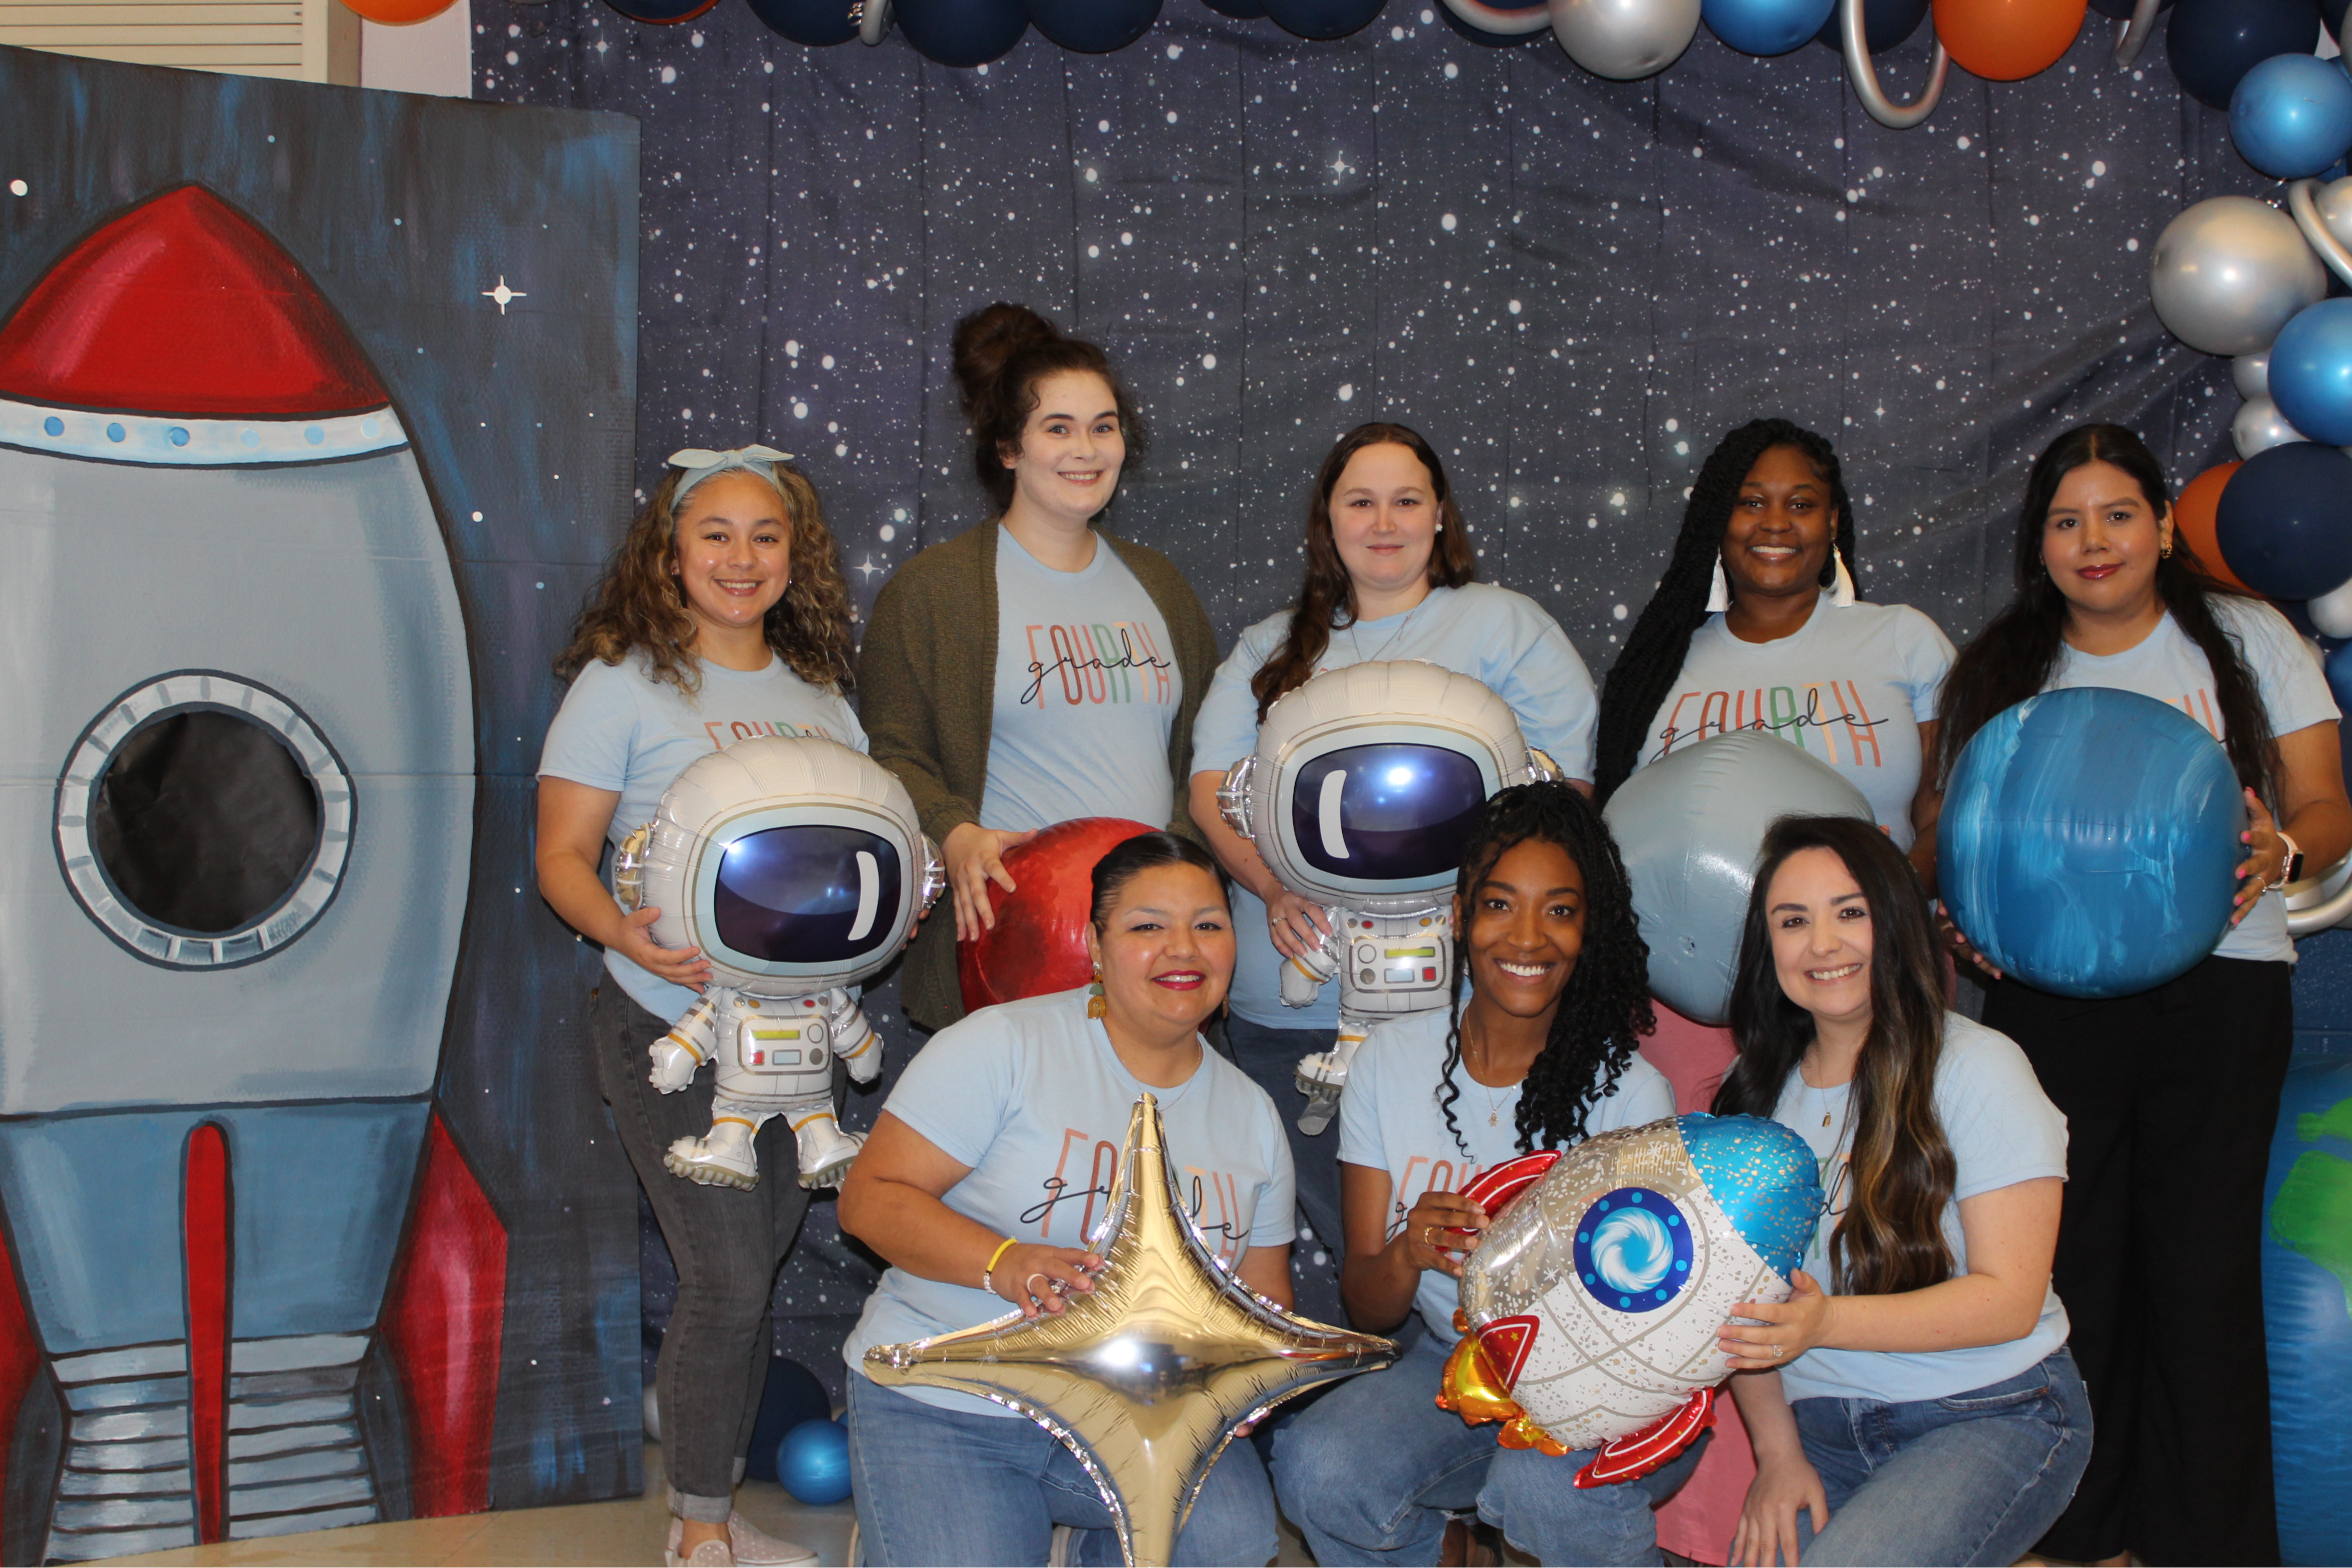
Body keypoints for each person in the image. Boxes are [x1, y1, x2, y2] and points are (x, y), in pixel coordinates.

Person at [1933, 422, 2351, 1568]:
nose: (2093, 541)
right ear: (2039, 547)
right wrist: (1958, 914)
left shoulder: (2248, 637)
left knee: (2203, 1271)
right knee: (2072, 1274)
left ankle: (2206, 1542)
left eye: (2117, 513)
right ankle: (2073, 1533)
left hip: (2220, 991)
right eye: (2065, 522)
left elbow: (2324, 805)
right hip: (2048, 1003)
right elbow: (1949, 842)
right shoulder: (2003, 670)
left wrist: (2285, 852)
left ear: (2164, 527)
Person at [1589, 418, 1955, 1560]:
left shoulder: (1899, 640)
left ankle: (1867, 1502)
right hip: (1693, 1013)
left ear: (1836, 518)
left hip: (1861, 991)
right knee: (1713, 1259)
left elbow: (1939, 810)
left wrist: (1901, 921)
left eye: (1802, 501)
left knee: (1864, 1239)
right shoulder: (1668, 656)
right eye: (1751, 500)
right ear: (1712, 518)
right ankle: (1707, 1521)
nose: (1776, 522)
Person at [1189, 421, 1600, 1324]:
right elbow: (1209, 787)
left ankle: (1477, 1405)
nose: (1385, 522)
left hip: (1462, 1009)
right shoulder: (1270, 648)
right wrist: (1272, 886)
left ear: (1440, 514)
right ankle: (1368, 1421)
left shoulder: (1505, 628)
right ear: (1325, 522)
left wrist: (1479, 910)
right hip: (1293, 1015)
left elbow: (1563, 797)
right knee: (1363, 1256)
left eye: (1407, 500)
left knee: (1475, 1238)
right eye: (1361, 501)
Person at [536, 446, 861, 1568]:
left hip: (799, 1036)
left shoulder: (820, 696)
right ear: (669, 552)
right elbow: (562, 858)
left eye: (764, 534)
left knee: (756, 1263)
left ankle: (707, 1470)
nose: (740, 557)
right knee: (725, 1272)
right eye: (714, 533)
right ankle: (702, 1528)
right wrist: (625, 931)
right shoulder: (624, 682)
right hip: (670, 1027)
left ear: (794, 553)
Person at [837, 833, 1292, 1567]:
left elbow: (1262, 1291)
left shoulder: (1252, 1115)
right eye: (1148, 927)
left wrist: (1244, 1377)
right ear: (1095, 945)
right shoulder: (1001, 1046)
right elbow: (870, 1200)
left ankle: (1089, 1544)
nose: (1184, 949)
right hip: (950, 1397)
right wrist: (1007, 1263)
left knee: (1231, 1537)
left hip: (1135, 1412)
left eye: (1208, 925)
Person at [1271, 782, 1683, 1566]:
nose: (1527, 937)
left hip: (1602, 1384)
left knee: (1545, 1489)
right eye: (1500, 905)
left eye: (1560, 910)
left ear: (1588, 929)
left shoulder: (1631, 1093)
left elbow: (1650, 1325)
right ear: (1460, 915)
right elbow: (1370, 1300)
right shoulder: (1390, 1062)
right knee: (1320, 1464)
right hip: (1447, 1362)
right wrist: (1406, 1253)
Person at [1713, 815, 2089, 1568]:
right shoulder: (1751, 1099)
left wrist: (1824, 1324)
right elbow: (1739, 1312)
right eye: (1794, 921)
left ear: (1893, 922)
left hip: (1994, 1411)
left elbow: (2009, 1299)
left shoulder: (1978, 1067)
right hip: (1821, 1431)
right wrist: (1779, 1457)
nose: (1823, 944)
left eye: (1850, 912)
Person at [861, 304, 1219, 1035]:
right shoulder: (933, 592)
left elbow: (1207, 755)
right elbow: (889, 753)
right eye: (1057, 428)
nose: (1085, 450)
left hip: (1151, 961)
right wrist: (953, 831)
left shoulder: (1162, 587)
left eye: (1104, 426)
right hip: (1011, 955)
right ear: (1008, 448)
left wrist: (1170, 870)